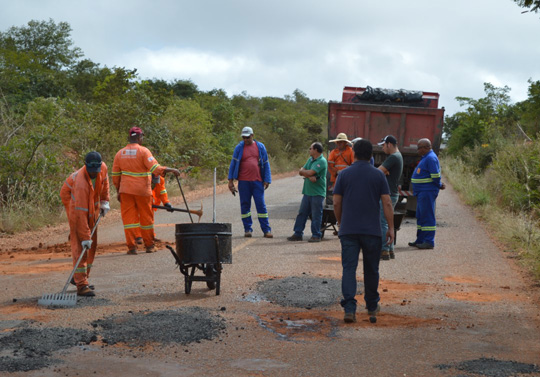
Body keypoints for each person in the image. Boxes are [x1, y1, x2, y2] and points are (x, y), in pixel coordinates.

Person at [333, 139, 394, 323]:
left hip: (349, 230)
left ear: (355, 154)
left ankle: (350, 309)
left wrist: (341, 222)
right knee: (371, 269)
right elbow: (387, 202)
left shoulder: (343, 175)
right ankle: (372, 307)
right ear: (371, 156)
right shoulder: (378, 176)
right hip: (372, 232)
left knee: (349, 269)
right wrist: (391, 228)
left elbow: (336, 202)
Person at [112, 126, 180, 255]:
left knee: (128, 220)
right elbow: (155, 168)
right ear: (139, 138)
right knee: (146, 219)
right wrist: (171, 170)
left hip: (125, 191)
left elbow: (115, 176)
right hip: (142, 191)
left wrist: (118, 191)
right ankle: (149, 246)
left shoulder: (119, 153)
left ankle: (132, 248)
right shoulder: (144, 151)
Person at [59, 151, 110, 297]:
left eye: (96, 171)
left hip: (90, 204)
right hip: (73, 201)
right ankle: (81, 285)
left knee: (92, 244)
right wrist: (85, 236)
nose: (94, 174)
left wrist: (104, 201)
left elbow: (105, 182)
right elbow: (80, 215)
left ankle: (80, 278)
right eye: (91, 171)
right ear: (86, 166)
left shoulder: (103, 168)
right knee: (80, 242)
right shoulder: (80, 184)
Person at [228, 126, 273, 238]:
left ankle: (266, 230)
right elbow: (233, 164)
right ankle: (247, 229)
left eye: (247, 137)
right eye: (244, 137)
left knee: (261, 206)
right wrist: (230, 181)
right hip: (243, 182)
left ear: (252, 135)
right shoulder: (239, 148)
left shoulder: (260, 147)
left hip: (257, 182)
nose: (246, 139)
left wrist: (267, 179)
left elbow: (266, 163)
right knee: (245, 206)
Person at [409, 138, 446, 249]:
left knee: (427, 216)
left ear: (426, 147)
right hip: (422, 192)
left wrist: (439, 185)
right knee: (420, 216)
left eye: (419, 148)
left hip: (427, 191)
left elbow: (435, 176)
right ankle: (420, 239)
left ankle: (429, 241)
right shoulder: (426, 157)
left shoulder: (430, 158)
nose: (417, 150)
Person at [287, 142, 328, 242]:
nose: (309, 150)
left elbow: (308, 172)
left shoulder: (321, 161)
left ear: (316, 150)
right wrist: (308, 175)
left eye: (311, 148)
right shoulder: (310, 159)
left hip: (317, 193)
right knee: (302, 213)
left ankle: (316, 235)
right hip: (307, 192)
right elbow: (301, 171)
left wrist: (307, 173)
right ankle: (298, 233)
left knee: (316, 215)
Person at [377, 135, 403, 260]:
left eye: (383, 145)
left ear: (389, 144)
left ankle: (384, 249)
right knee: (387, 222)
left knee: (383, 223)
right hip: (393, 194)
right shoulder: (398, 156)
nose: (382, 148)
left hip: (388, 195)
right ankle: (390, 250)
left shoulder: (393, 157)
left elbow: (378, 172)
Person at [134, 174, 173, 244]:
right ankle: (138, 236)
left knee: (149, 219)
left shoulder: (160, 179)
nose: (154, 182)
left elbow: (162, 191)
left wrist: (166, 203)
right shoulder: (141, 178)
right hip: (138, 198)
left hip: (149, 200)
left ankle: (150, 236)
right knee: (137, 217)